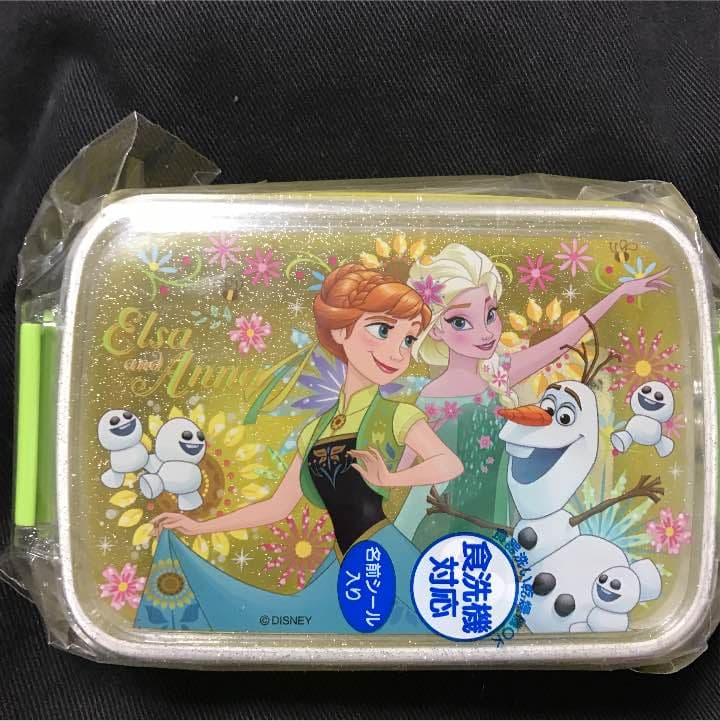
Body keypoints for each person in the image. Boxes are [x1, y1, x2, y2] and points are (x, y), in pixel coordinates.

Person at [134, 262, 463, 633]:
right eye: (383, 330)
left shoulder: (395, 414)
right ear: (340, 330)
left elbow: (449, 463)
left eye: (408, 339)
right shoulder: (315, 431)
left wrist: (391, 478)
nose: (398, 352)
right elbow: (277, 506)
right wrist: (199, 527)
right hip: (344, 565)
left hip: (382, 558)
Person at [393, 243, 670, 548]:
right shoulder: (431, 397)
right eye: (460, 322)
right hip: (438, 512)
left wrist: (619, 293)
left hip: (493, 508)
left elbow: (563, 341)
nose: (485, 332)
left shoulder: (498, 374)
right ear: (435, 330)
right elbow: (406, 465)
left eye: (490, 314)